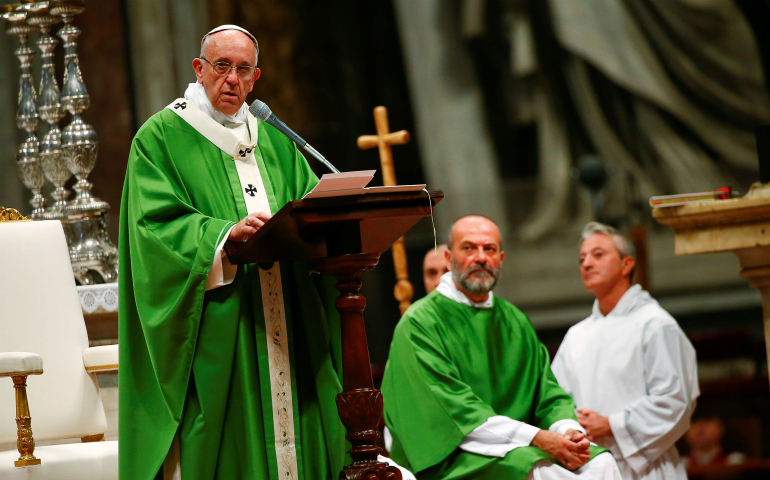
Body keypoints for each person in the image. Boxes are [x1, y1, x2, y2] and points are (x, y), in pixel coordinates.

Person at [119, 25, 349, 480]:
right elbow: (153, 230)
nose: (232, 79)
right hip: (222, 326)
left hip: (288, 318)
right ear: (199, 69)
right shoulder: (161, 137)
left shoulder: (277, 141)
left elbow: (308, 213)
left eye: (243, 70)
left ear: (256, 77)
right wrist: (225, 236)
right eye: (221, 66)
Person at [381, 215, 621, 480]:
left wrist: (567, 432)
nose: (481, 257)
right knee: (543, 472)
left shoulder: (514, 320)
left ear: (501, 259)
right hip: (455, 456)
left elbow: (547, 393)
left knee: (601, 463)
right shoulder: (420, 322)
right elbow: (454, 410)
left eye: (490, 249)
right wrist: (538, 438)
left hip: (521, 445)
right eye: (469, 248)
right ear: (449, 259)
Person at [551, 222, 699, 480]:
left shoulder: (654, 324)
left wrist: (611, 424)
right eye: (582, 258)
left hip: (647, 467)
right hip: (591, 466)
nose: (586, 264)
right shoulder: (576, 335)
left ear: (626, 264)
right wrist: (570, 426)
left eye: (598, 255)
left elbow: (675, 400)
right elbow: (555, 398)